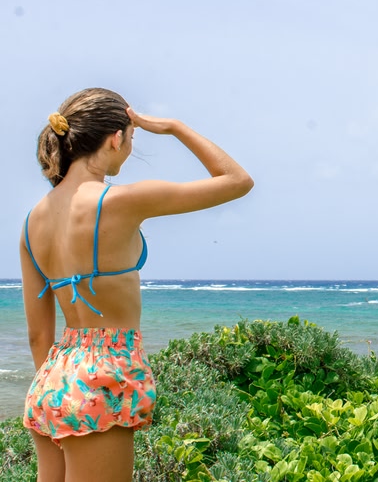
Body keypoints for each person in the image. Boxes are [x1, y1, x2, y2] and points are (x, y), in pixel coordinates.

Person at [20, 88, 254, 482]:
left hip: (52, 379)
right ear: (117, 137)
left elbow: (37, 335)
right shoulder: (121, 200)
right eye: (132, 137)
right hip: (101, 377)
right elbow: (237, 180)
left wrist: (63, 390)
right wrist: (174, 127)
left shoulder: (32, 221)